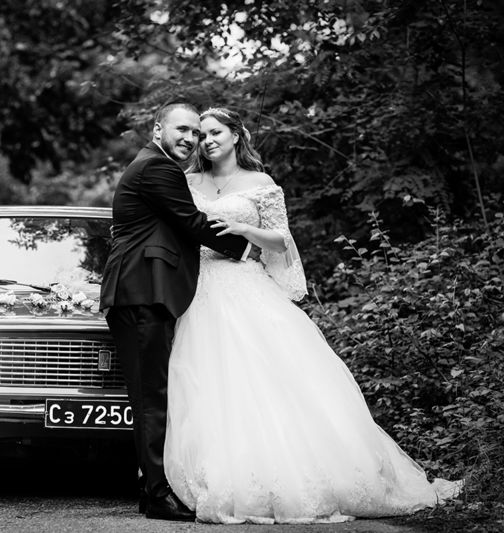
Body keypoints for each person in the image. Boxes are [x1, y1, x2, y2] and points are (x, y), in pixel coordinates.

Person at [163, 106, 462, 524]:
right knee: (205, 384)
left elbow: (281, 241)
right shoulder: (187, 180)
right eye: (202, 134)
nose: (207, 140)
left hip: (245, 285)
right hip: (197, 289)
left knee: (269, 381)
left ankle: (286, 476)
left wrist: (247, 231)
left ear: (236, 135)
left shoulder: (260, 183)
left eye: (215, 132)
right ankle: (215, 474)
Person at [99, 103, 257, 522]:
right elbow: (192, 222)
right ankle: (157, 495)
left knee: (152, 394)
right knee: (151, 397)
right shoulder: (158, 168)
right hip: (141, 292)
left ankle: (150, 488)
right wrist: (246, 249)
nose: (190, 138)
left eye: (195, 132)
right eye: (181, 129)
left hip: (143, 292)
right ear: (158, 130)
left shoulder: (152, 165)